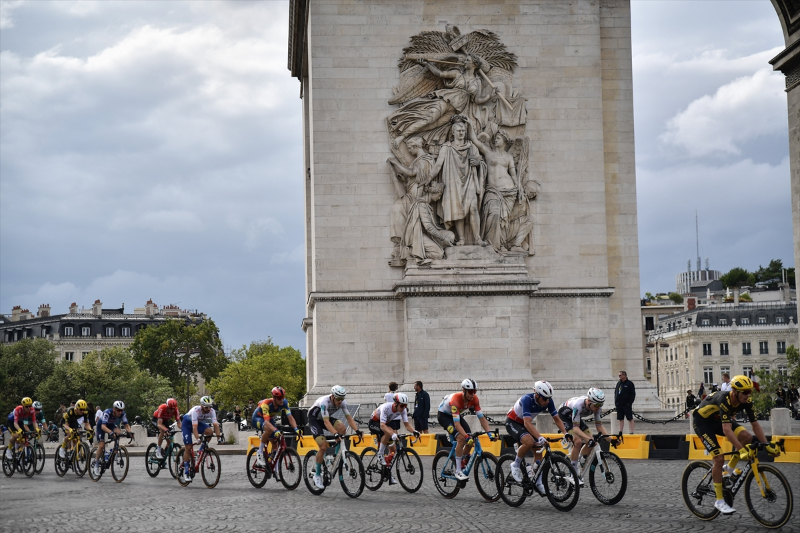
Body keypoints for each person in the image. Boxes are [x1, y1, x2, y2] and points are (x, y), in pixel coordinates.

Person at [693, 375, 780, 514]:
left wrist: (766, 444)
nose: (748, 394)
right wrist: (741, 450)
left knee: (746, 436)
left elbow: (755, 424)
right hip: (702, 423)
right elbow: (727, 430)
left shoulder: (747, 401)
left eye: (749, 391)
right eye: (745, 392)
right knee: (719, 458)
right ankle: (719, 501)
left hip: (717, 420)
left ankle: (729, 469)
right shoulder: (724, 400)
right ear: (734, 392)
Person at [505, 381, 568, 493]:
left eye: (549, 398)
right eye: (545, 399)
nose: (547, 401)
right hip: (513, 422)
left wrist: (565, 433)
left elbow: (557, 419)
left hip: (525, 424)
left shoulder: (548, 401)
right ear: (537, 395)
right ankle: (515, 464)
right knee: (529, 442)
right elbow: (527, 423)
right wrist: (539, 437)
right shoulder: (527, 399)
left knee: (539, 450)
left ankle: (538, 482)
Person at [437, 378, 495, 481]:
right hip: (444, 416)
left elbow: (482, 418)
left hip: (455, 415)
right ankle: (458, 471)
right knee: (462, 438)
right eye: (470, 392)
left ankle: (462, 458)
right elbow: (457, 424)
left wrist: (489, 433)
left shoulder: (475, 399)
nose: (473, 394)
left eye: (474, 392)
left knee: (471, 438)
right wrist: (466, 436)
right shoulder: (455, 400)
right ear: (464, 390)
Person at [308, 385, 361, 489]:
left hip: (325, 418)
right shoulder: (324, 402)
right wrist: (335, 434)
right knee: (323, 446)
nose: (340, 401)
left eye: (342, 398)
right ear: (332, 396)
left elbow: (349, 418)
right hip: (314, 420)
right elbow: (326, 422)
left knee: (342, 428)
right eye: (338, 399)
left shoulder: (342, 402)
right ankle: (317, 475)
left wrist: (357, 430)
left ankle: (335, 457)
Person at [558, 388, 610, 485]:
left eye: (601, 404)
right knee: (577, 441)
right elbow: (576, 429)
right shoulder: (579, 405)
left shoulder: (597, 406)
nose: (599, 407)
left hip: (574, 417)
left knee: (592, 441)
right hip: (564, 414)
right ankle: (573, 474)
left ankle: (579, 460)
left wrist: (612, 440)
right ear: (589, 401)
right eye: (597, 405)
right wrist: (587, 439)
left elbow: (599, 426)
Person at [368, 393, 419, 484]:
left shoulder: (403, 410)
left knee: (393, 449)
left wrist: (414, 431)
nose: (403, 408)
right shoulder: (386, 407)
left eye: (405, 406)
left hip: (384, 424)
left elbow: (406, 424)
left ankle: (388, 473)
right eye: (402, 406)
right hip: (374, 423)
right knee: (389, 432)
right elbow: (382, 426)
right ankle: (380, 454)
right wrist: (392, 434)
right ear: (395, 404)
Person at [253, 387, 301, 467]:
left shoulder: (284, 403)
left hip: (269, 418)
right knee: (269, 429)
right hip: (258, 418)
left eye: (283, 397)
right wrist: (275, 430)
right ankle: (260, 451)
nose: (281, 400)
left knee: (275, 443)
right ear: (274, 398)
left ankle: (272, 465)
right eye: (279, 398)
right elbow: (267, 422)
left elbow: (290, 417)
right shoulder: (266, 404)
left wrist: (296, 429)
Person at [180, 396, 223, 483]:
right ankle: (186, 472)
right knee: (188, 447)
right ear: (202, 406)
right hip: (187, 424)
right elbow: (194, 427)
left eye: (210, 407)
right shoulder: (196, 410)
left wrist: (219, 438)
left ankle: (200, 450)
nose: (208, 409)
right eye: (206, 407)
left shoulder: (212, 411)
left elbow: (215, 425)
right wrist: (197, 439)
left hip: (197, 423)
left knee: (209, 432)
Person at [93, 400, 132, 476]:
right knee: (101, 445)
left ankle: (114, 450)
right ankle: (96, 464)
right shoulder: (107, 412)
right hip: (101, 425)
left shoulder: (123, 414)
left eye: (121, 410)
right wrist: (110, 432)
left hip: (111, 425)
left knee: (119, 433)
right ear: (114, 409)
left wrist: (130, 432)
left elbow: (126, 425)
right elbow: (103, 426)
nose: (120, 412)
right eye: (118, 410)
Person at [614, 370, 636, 434]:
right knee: (620, 418)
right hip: (619, 404)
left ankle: (632, 431)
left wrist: (630, 403)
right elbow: (616, 393)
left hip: (626, 404)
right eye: (619, 375)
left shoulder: (629, 383)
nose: (619, 376)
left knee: (630, 418)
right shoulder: (619, 383)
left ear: (624, 375)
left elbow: (633, 394)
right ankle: (620, 431)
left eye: (620, 375)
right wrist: (616, 402)